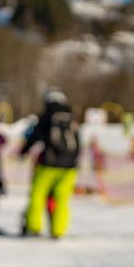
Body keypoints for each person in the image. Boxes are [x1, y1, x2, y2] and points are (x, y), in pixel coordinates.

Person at [20, 88, 80, 239]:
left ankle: (33, 227)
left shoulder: (47, 117)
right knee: (62, 199)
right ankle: (58, 231)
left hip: (48, 164)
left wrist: (23, 151)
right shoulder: (71, 118)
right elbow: (78, 142)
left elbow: (35, 136)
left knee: (38, 195)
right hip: (70, 168)